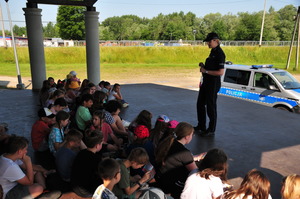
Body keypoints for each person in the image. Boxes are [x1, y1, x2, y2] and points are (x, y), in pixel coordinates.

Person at [155, 122, 197, 199]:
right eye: (192, 135)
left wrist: (194, 158)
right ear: (187, 137)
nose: (192, 137)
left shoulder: (167, 142)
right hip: (173, 186)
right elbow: (195, 172)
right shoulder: (184, 152)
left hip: (161, 179)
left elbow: (176, 159)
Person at [195, 32, 225, 137]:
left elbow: (220, 72)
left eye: (209, 41)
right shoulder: (213, 51)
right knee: (200, 104)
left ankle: (211, 129)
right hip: (206, 82)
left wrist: (205, 71)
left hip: (213, 84)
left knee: (211, 107)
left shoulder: (220, 54)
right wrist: (204, 67)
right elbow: (210, 68)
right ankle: (201, 126)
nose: (207, 43)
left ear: (215, 40)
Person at [71, 129, 103, 198]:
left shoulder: (81, 153)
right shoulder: (96, 159)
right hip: (85, 191)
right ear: (97, 146)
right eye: (101, 143)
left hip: (74, 186)